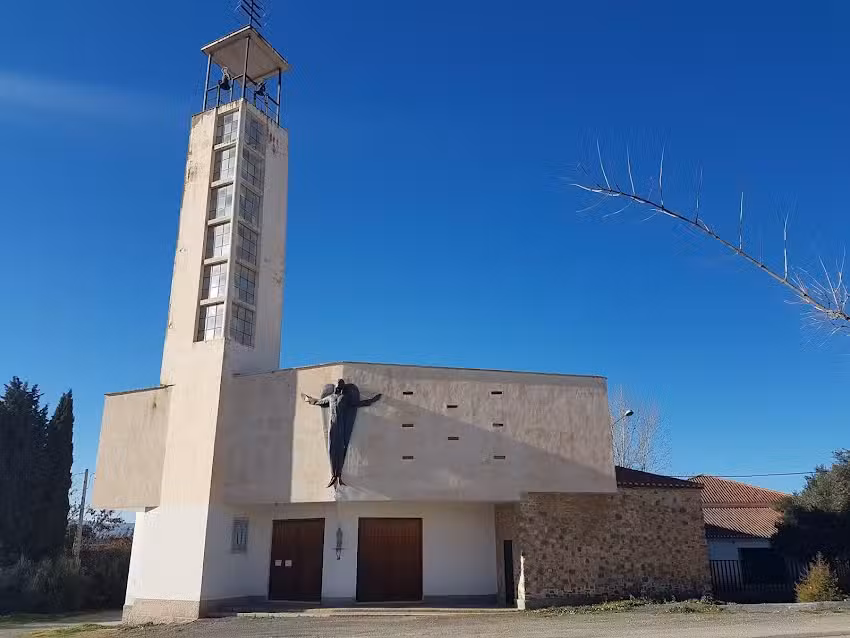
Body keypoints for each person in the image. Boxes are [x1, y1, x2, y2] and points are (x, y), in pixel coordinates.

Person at [302, 379, 382, 488]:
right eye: (338, 385)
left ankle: (338, 474)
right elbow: (318, 402)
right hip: (332, 427)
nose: (339, 387)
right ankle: (334, 475)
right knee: (332, 449)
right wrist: (308, 399)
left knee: (340, 449)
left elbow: (358, 404)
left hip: (341, 427)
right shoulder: (330, 398)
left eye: (341, 385)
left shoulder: (345, 398)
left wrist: (372, 400)